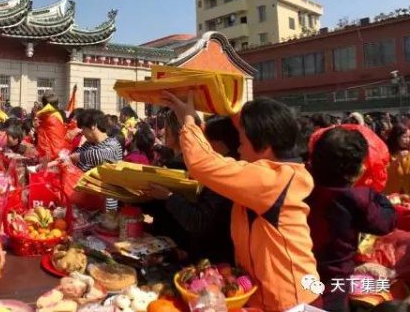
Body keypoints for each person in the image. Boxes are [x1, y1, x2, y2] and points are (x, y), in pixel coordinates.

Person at [162, 93, 320, 311]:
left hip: (286, 299)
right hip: (271, 293)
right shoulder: (280, 172)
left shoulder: (270, 179)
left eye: (243, 142)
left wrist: (187, 121)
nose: (238, 149)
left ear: (265, 146)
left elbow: (202, 164)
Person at [307, 127, 396, 312]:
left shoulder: (303, 185)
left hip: (301, 270)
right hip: (334, 278)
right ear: (354, 169)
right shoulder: (356, 198)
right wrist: (374, 194)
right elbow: (385, 222)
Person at [146, 114, 236, 264]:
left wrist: (168, 196)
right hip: (184, 246)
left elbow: (200, 220)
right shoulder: (175, 160)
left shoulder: (221, 174)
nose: (202, 146)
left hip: (205, 258)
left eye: (206, 141)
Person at [69, 109, 123, 211]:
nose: (83, 133)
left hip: (106, 206)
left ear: (93, 126)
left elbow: (98, 156)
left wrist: (76, 157)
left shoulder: (113, 144)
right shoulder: (89, 144)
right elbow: (76, 161)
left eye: (84, 129)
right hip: (87, 201)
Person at [36, 93, 70, 160]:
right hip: (59, 151)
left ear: (43, 104)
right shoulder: (59, 115)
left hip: (45, 151)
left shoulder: (40, 115)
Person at [384, 124, 410, 194]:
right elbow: (384, 173)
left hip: (406, 193)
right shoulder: (386, 152)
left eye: (409, 137)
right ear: (396, 137)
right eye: (405, 137)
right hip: (391, 193)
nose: (408, 140)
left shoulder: (408, 152)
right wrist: (397, 160)